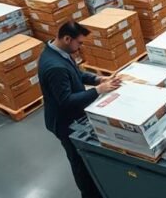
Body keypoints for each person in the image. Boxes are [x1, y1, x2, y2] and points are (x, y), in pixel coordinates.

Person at [39, 21, 122, 198]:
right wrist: (98, 90)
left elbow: (76, 75)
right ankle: (89, 194)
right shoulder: (55, 66)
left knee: (86, 157)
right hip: (64, 122)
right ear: (67, 38)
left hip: (73, 114)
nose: (80, 47)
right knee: (79, 161)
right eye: (80, 43)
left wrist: (98, 79)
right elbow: (66, 101)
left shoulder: (59, 51)